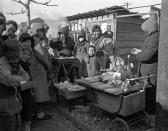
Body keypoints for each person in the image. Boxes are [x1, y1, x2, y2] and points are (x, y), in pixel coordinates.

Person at [131, 15, 159, 114]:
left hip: (150, 71)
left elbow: (145, 56)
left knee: (150, 91)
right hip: (147, 71)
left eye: (145, 30)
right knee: (146, 90)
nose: (144, 32)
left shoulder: (155, 38)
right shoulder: (151, 36)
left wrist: (137, 54)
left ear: (150, 28)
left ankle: (150, 112)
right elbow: (146, 51)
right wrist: (140, 51)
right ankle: (147, 110)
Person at [0, 38, 29, 131]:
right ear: (12, 52)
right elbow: (9, 80)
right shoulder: (2, 64)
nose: (21, 52)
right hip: (5, 110)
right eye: (19, 50)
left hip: (15, 107)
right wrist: (21, 81)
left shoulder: (15, 63)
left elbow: (26, 76)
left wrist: (20, 81)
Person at [29, 22, 51, 120]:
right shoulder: (36, 40)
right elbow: (41, 56)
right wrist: (48, 66)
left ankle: (34, 112)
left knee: (35, 91)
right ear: (37, 31)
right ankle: (40, 114)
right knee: (40, 92)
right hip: (38, 69)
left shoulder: (31, 39)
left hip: (32, 69)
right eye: (41, 30)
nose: (43, 32)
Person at [19, 33, 35, 131]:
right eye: (24, 54)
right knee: (25, 108)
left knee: (28, 106)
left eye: (28, 54)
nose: (26, 56)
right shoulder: (18, 66)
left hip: (27, 91)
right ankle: (26, 126)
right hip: (22, 91)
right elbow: (20, 82)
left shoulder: (26, 64)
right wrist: (29, 84)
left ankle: (27, 125)